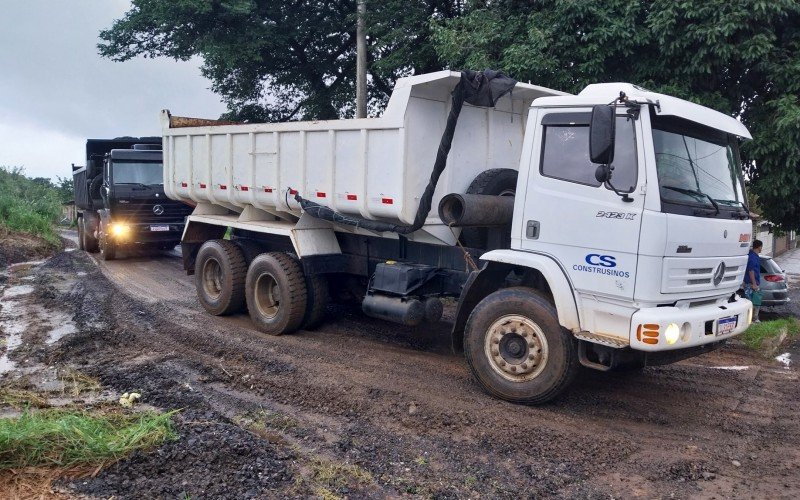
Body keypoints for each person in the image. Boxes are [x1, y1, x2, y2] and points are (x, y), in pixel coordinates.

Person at [743, 239, 762, 322]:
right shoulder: (752, 257)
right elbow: (751, 271)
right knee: (752, 303)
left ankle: (753, 319)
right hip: (751, 284)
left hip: (752, 283)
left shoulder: (753, 255)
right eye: (761, 247)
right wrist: (754, 284)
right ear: (759, 247)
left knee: (756, 302)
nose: (761, 249)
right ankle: (752, 320)